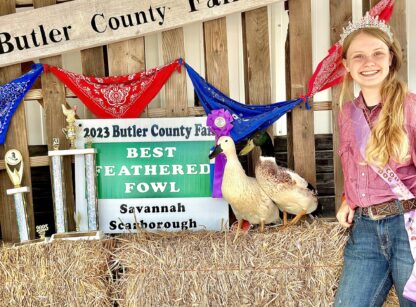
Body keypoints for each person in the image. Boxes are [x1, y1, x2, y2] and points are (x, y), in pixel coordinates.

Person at [335, 13, 416, 307]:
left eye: (377, 53)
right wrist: (349, 198)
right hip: (365, 231)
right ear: (346, 65)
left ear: (391, 59)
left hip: (408, 226)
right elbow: (353, 163)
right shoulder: (346, 113)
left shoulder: (411, 107)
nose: (368, 62)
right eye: (358, 56)